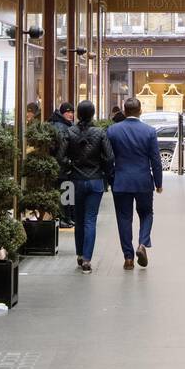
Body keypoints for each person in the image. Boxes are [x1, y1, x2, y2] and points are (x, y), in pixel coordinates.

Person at [106, 97, 163, 269]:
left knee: (124, 218)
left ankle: (128, 258)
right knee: (146, 213)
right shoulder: (149, 131)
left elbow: (108, 158)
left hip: (121, 180)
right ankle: (142, 244)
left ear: (124, 111)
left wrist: (111, 179)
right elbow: (155, 160)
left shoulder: (113, 130)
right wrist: (158, 183)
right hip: (143, 180)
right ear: (140, 111)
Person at [67, 101, 114, 272]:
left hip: (75, 180)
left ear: (78, 114)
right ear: (93, 114)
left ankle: (79, 254)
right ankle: (87, 259)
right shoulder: (100, 132)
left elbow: (60, 156)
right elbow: (109, 157)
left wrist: (70, 166)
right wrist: (105, 173)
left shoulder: (70, 131)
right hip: (95, 180)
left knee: (78, 219)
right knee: (90, 219)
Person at [50, 101, 76, 228]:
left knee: (66, 192)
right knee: (63, 193)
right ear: (62, 113)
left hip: (63, 166)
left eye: (72, 112)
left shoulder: (65, 124)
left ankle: (67, 217)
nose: (70, 114)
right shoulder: (60, 126)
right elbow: (62, 148)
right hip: (61, 166)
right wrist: (67, 161)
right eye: (68, 112)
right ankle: (64, 218)